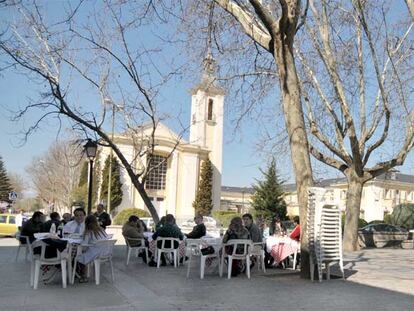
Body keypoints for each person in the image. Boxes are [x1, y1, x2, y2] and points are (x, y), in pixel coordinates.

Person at [76, 215, 109, 283]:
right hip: (106, 252)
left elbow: (84, 246)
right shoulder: (101, 230)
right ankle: (84, 274)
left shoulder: (88, 231)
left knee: (79, 258)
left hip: (96, 253)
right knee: (84, 254)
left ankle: (83, 276)